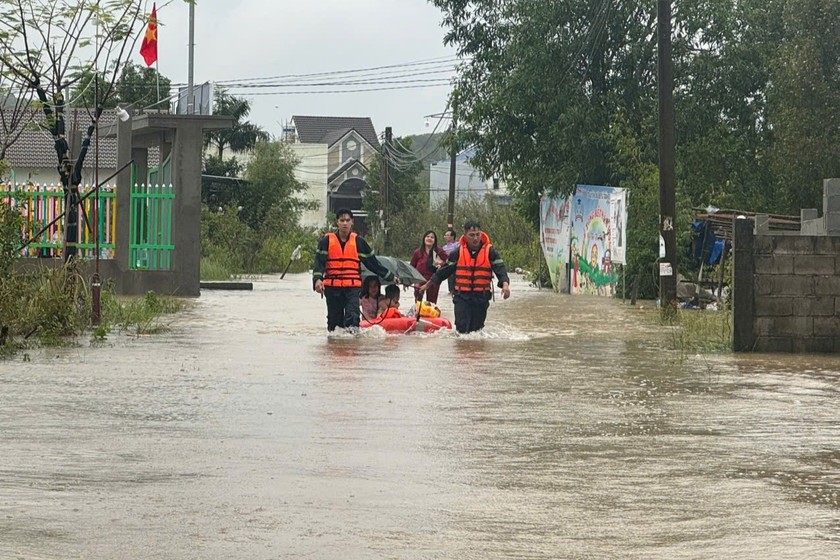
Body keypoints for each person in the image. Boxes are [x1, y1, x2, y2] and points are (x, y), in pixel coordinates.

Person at [313, 208, 398, 332]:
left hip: (352, 288)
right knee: (334, 323)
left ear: (352, 222)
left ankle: (352, 347)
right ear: (337, 222)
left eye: (347, 220)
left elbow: (373, 263)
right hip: (332, 288)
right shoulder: (326, 242)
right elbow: (319, 263)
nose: (345, 223)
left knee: (352, 318)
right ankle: (335, 348)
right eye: (342, 220)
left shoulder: (359, 242)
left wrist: (391, 277)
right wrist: (317, 280)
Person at [419, 220, 511, 334]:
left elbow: (500, 269)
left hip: (481, 298)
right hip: (462, 297)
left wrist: (505, 285)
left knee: (476, 331)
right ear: (465, 235)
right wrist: (426, 286)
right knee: (462, 329)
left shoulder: (490, 252)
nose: (475, 238)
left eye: (478, 235)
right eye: (472, 235)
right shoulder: (457, 253)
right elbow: (443, 272)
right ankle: (462, 350)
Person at [410, 230, 448, 304]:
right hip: (419, 277)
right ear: (424, 238)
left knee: (431, 301)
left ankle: (431, 313)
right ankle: (418, 312)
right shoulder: (417, 252)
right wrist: (407, 280)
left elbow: (448, 262)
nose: (429, 238)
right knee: (418, 296)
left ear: (435, 240)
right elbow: (411, 267)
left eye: (432, 237)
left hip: (433, 278)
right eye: (427, 236)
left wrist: (441, 264)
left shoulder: (439, 251)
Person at [441, 228, 459, 296]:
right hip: (449, 266)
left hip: (457, 266)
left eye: (447, 235)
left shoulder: (458, 245)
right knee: (450, 279)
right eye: (445, 235)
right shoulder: (444, 248)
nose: (445, 237)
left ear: (452, 237)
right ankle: (451, 291)